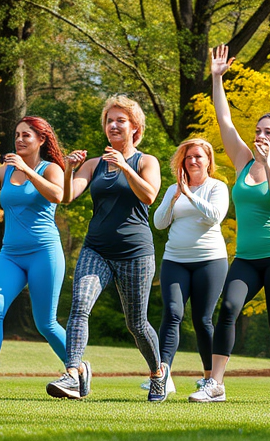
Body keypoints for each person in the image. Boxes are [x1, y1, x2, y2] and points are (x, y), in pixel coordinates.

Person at [189, 44, 270, 405]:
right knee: (227, 309)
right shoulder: (241, 160)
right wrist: (217, 77)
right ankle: (216, 385)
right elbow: (224, 121)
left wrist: (269, 162)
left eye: (269, 133)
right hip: (247, 258)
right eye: (258, 131)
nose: (260, 137)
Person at [46, 96, 164, 402]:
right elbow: (67, 196)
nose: (113, 125)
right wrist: (70, 169)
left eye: (120, 120)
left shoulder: (146, 161)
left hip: (135, 253)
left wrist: (125, 167)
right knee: (80, 306)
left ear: (134, 127)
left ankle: (157, 374)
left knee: (136, 323)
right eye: (109, 120)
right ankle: (73, 373)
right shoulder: (93, 165)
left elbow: (149, 195)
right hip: (96, 249)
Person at [0, 117, 68, 400]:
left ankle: (77, 368)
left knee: (45, 323)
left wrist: (27, 171)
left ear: (41, 140)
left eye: (26, 136)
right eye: (17, 135)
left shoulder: (51, 168)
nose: (19, 140)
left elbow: (58, 195)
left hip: (44, 252)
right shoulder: (5, 170)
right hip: (11, 255)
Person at [147, 138, 229, 396]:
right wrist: (174, 198)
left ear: (208, 161)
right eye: (188, 157)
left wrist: (190, 194)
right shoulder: (174, 188)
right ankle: (163, 375)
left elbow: (215, 216)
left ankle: (210, 379)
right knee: (172, 313)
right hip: (175, 260)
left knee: (202, 320)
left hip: (210, 261)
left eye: (198, 156)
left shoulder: (217, 187)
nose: (193, 161)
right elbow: (159, 223)